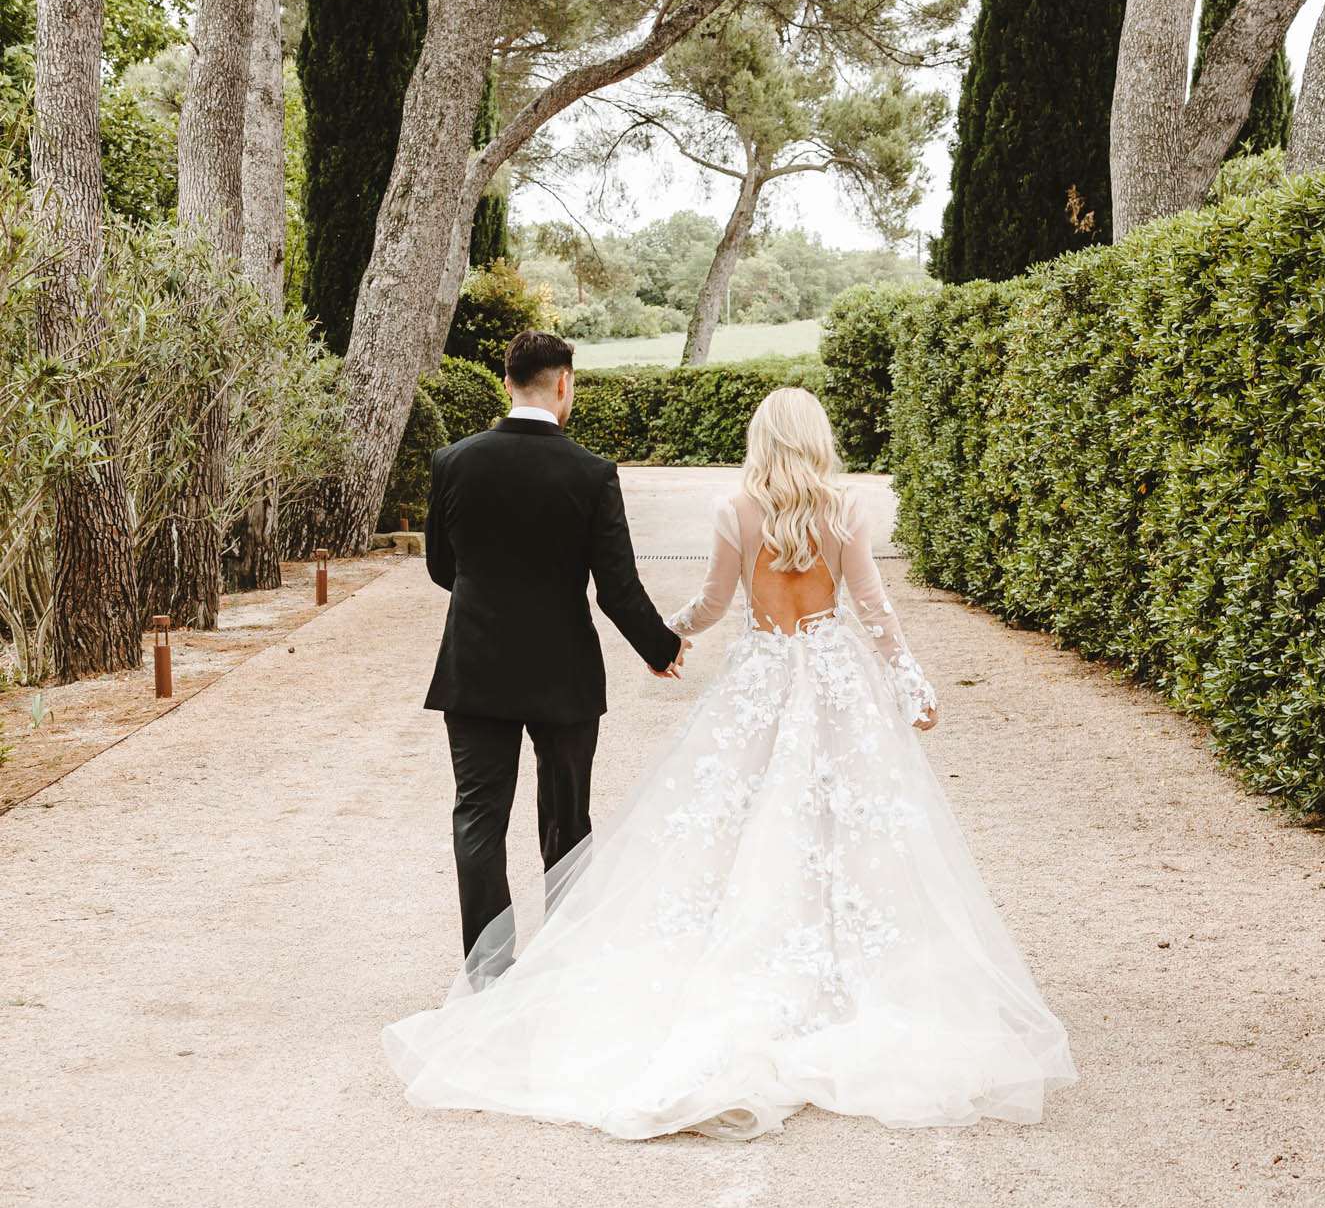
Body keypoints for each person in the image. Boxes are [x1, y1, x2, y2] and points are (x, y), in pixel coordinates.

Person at [388, 386, 1077, 1140]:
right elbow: (875, 608)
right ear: (816, 438)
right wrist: (912, 684)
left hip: (759, 680)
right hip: (836, 678)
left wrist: (671, 637)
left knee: (734, 815)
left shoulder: (736, 510)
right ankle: (840, 959)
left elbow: (715, 604)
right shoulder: (846, 511)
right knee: (845, 812)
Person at [423, 328, 684, 970]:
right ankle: (564, 969)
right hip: (562, 672)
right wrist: (660, 646)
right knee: (566, 820)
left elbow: (439, 566)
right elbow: (616, 588)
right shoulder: (591, 474)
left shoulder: (453, 461)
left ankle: (489, 970)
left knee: (479, 819)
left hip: (475, 667)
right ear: (564, 383)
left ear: (506, 382)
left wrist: (489, 595)